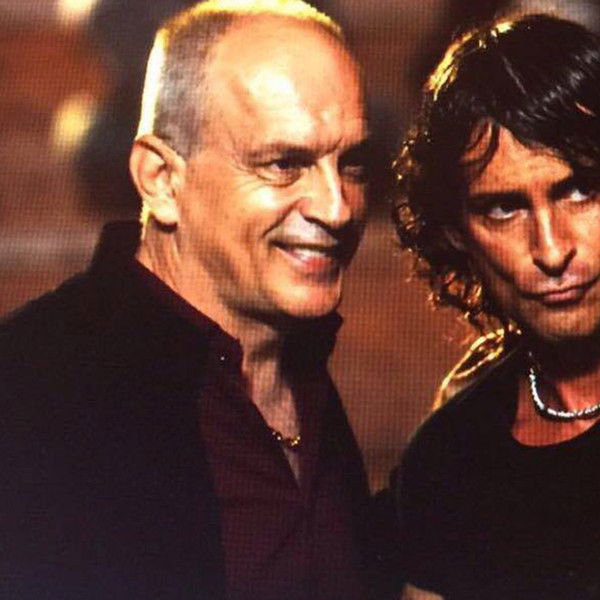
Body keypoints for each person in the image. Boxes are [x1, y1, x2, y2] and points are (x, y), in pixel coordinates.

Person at [0, 1, 374, 598]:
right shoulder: (29, 390)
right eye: (284, 164)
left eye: (351, 164)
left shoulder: (297, 360)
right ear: (161, 180)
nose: (337, 208)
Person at [392, 13, 600, 600]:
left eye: (581, 190)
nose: (552, 250)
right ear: (457, 233)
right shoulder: (447, 459)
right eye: (504, 209)